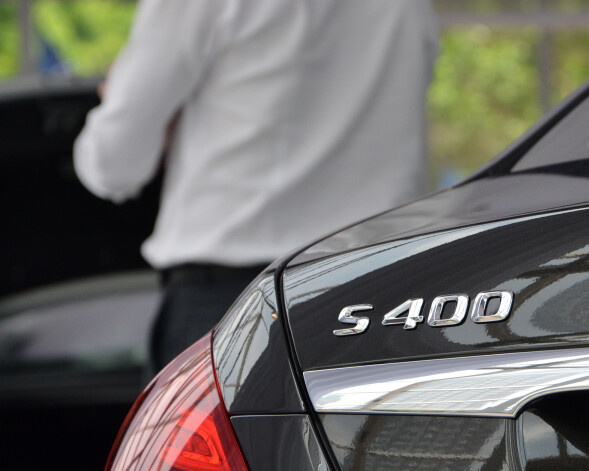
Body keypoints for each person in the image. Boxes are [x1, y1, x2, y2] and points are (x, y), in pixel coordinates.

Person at [74, 0, 438, 375]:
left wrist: (129, 106)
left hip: (232, 305)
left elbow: (112, 165)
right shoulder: (410, 7)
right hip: (381, 297)